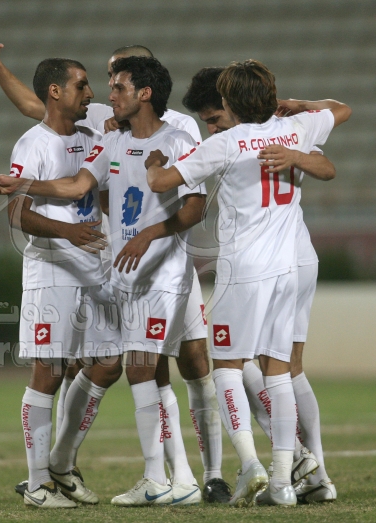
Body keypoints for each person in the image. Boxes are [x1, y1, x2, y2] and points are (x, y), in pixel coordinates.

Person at [0, 20, 229, 504]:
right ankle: (74, 470)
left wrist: (148, 230)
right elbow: (73, 180)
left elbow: (195, 206)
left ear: (144, 88)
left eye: (116, 82)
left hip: (161, 269)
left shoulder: (179, 134)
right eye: (99, 82)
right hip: (114, 269)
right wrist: (24, 183)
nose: (104, 93)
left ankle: (186, 477)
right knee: (123, 367)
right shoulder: (107, 136)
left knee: (169, 364)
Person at [145, 59, 351, 506]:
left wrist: (154, 162)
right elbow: (340, 113)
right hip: (287, 267)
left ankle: (252, 465)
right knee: (280, 371)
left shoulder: (226, 143)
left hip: (244, 269)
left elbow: (161, 182)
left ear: (228, 102)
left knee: (226, 367)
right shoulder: (295, 129)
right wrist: (297, 110)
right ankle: (284, 483)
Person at [6, 57, 127, 509]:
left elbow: (101, 197)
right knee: (49, 372)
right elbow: (17, 213)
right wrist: (68, 232)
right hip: (53, 270)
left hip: (95, 268)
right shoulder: (31, 144)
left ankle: (60, 460)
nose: (90, 93)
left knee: (109, 362)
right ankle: (38, 484)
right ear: (55, 92)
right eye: (81, 85)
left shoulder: (92, 139)